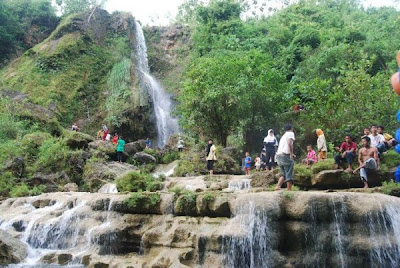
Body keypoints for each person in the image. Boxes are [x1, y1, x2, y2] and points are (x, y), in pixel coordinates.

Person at [275, 124, 295, 191]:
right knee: (289, 170)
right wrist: (291, 154)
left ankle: (278, 186)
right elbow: (290, 143)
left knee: (283, 173)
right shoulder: (290, 133)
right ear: (291, 128)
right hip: (285, 155)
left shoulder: (284, 135)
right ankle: (289, 189)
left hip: (279, 155)